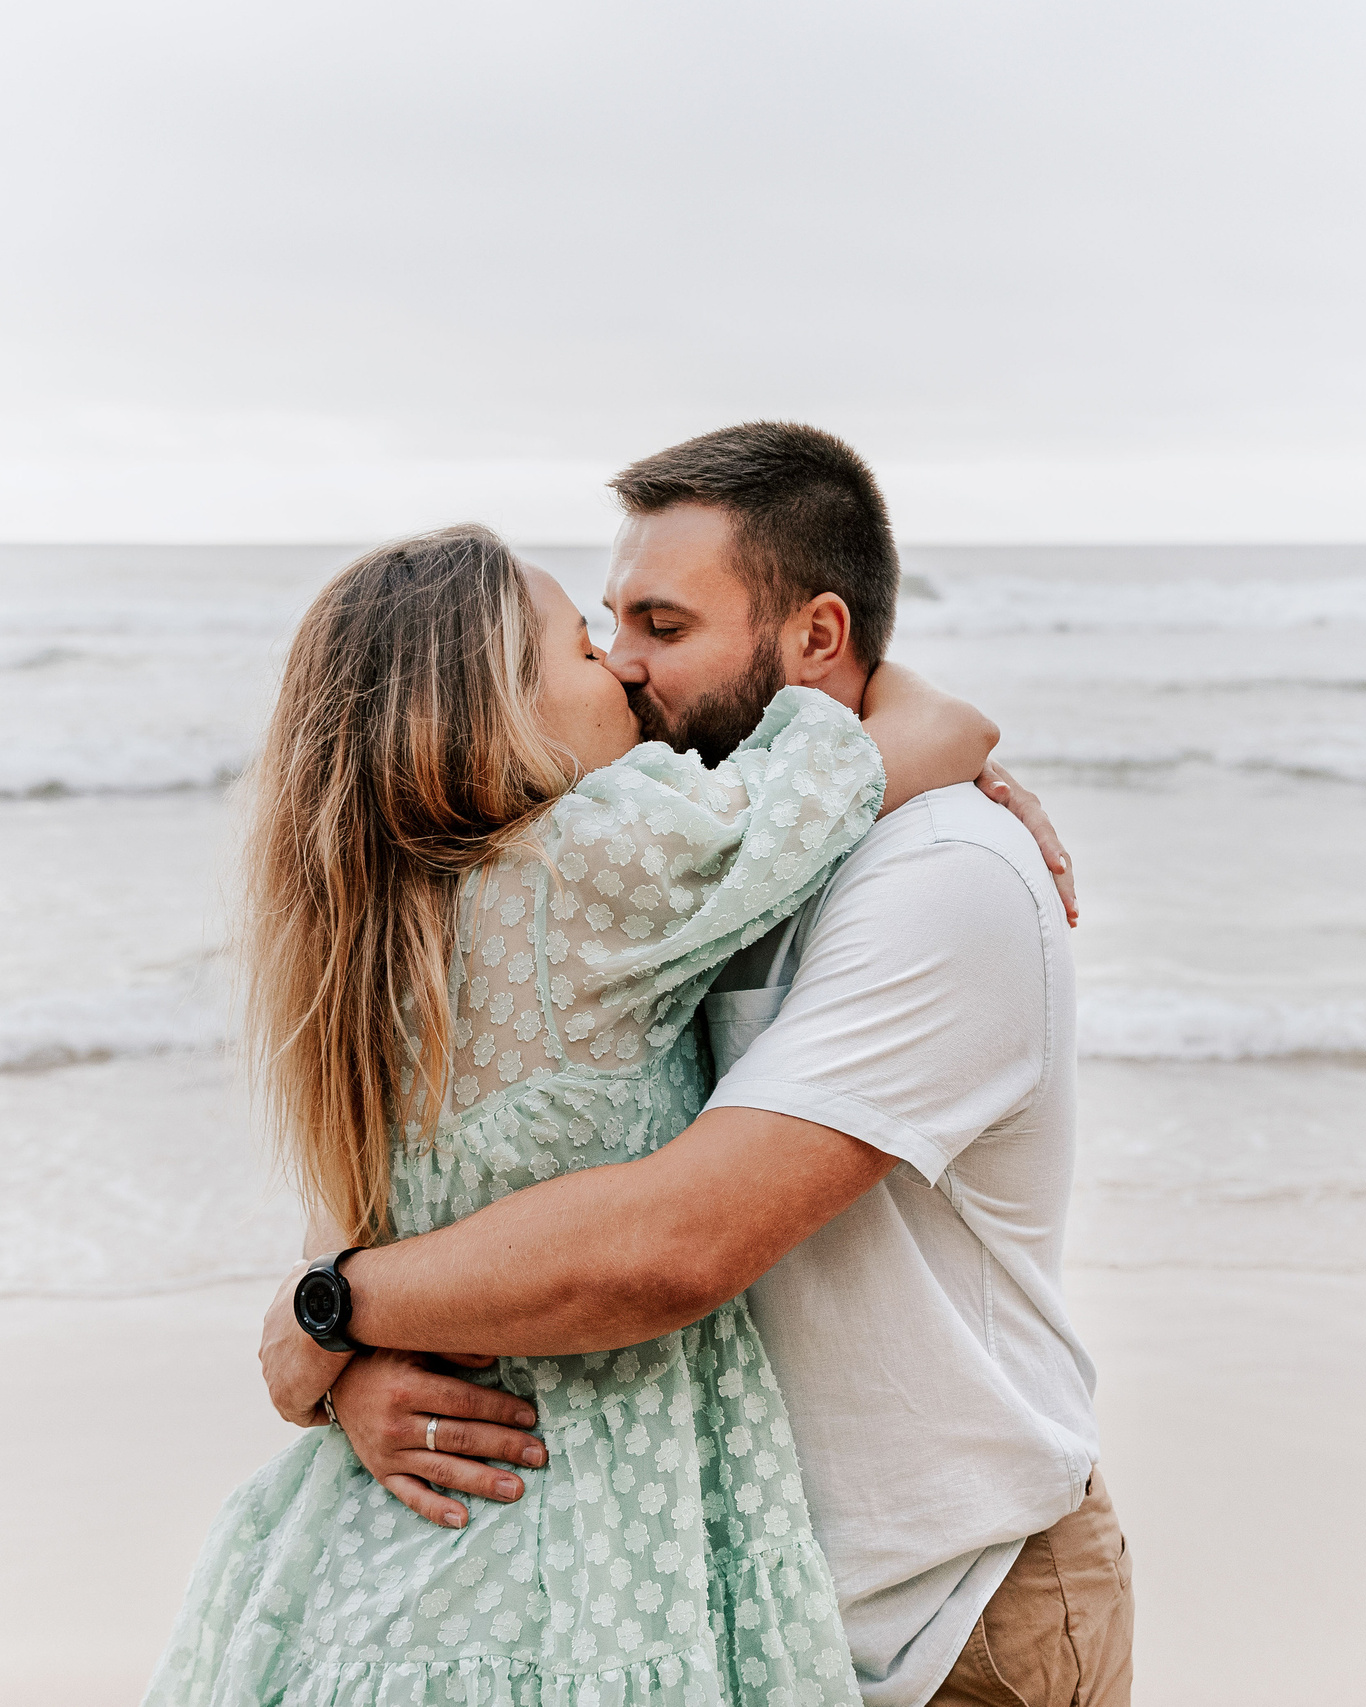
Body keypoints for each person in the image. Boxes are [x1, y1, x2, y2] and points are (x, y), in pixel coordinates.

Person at [259, 424, 1130, 1707]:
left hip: (944, 1614)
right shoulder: (665, 855)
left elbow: (674, 1243)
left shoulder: (937, 873)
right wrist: (351, 1359)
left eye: (660, 626)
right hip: (720, 1619)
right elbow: (440, 1185)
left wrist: (328, 1314)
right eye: (602, 626)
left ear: (816, 641)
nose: (619, 662)